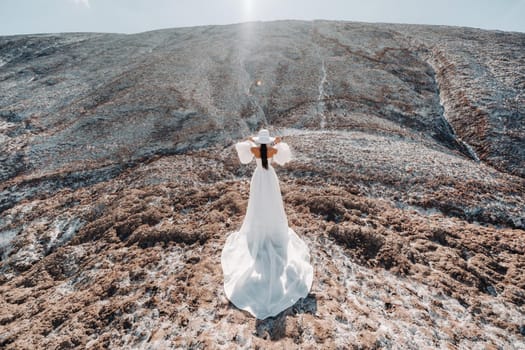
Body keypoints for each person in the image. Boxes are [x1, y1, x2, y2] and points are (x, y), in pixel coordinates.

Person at [221, 129, 313, 319]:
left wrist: (251, 140)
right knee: (273, 205)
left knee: (257, 205)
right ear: (268, 143)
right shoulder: (272, 152)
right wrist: (277, 141)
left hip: (258, 179)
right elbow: (283, 153)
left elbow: (244, 148)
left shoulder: (255, 151)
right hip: (270, 178)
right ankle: (273, 232)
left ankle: (259, 231)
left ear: (258, 142)